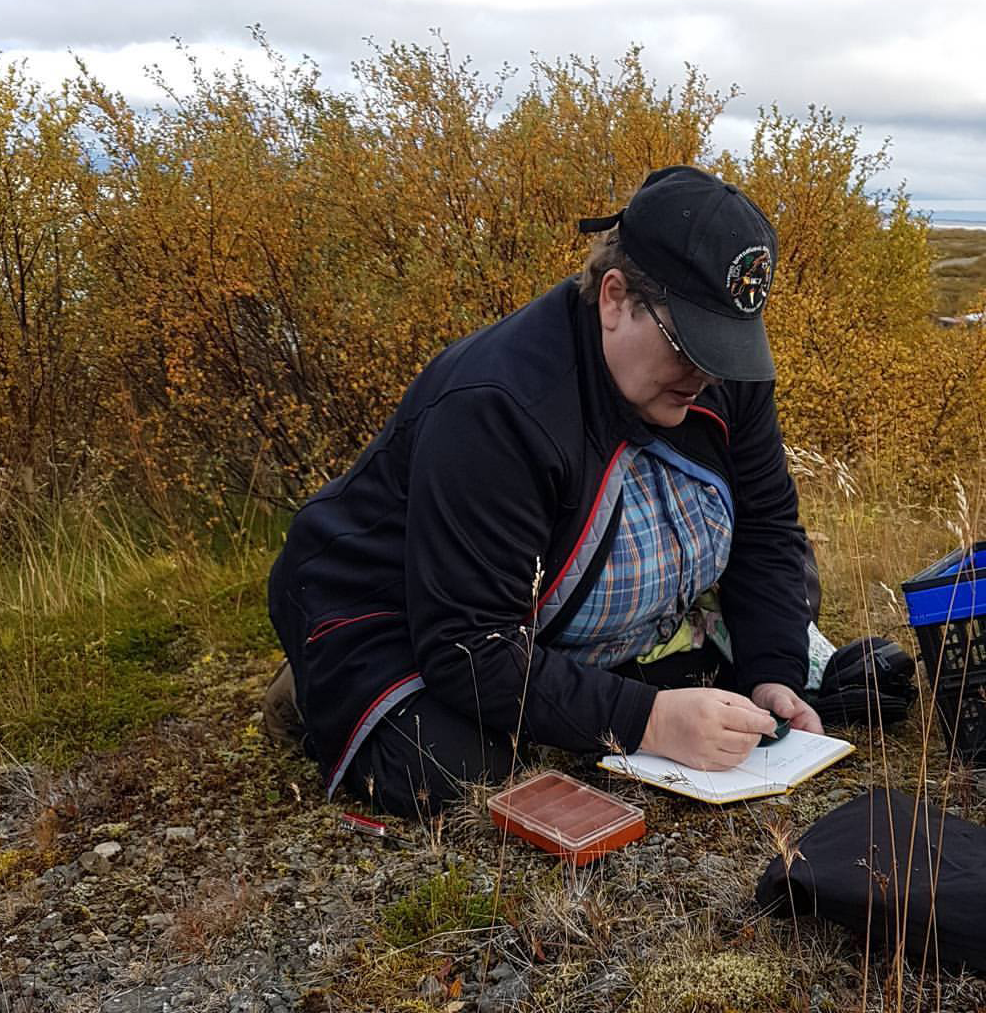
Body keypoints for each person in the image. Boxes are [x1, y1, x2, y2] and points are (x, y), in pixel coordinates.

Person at [267, 165, 824, 819]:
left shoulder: (725, 376)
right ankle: (311, 686)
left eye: (727, 349)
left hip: (535, 610)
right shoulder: (500, 405)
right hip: (389, 611)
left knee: (764, 644)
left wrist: (773, 673)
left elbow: (766, 529)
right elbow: (468, 646)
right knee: (453, 770)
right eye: (690, 345)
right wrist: (648, 720)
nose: (708, 374)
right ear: (614, 298)